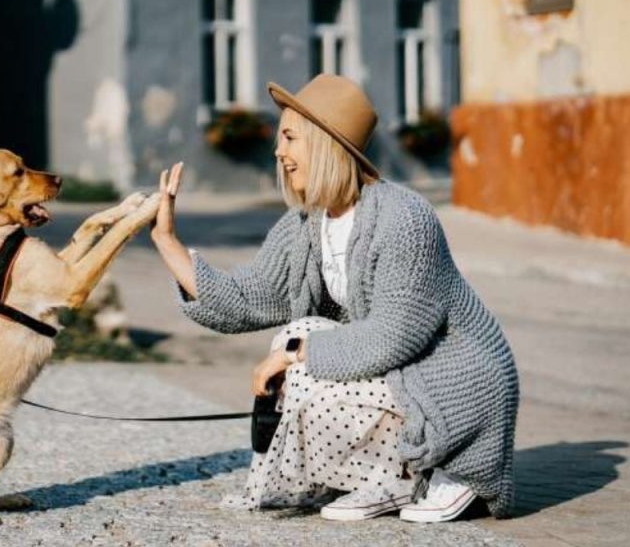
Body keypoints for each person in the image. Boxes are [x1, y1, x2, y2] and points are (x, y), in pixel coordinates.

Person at [149, 75, 519, 522]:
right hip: (400, 376)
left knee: (300, 350)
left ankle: (433, 470)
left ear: (324, 143)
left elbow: (393, 337)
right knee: (298, 335)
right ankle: (382, 477)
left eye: (289, 138)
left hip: (455, 385)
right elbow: (248, 299)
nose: (278, 152)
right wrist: (168, 242)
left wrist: (293, 356)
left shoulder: (405, 219)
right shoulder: (307, 223)